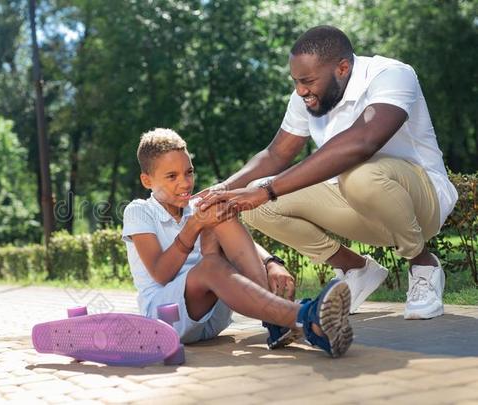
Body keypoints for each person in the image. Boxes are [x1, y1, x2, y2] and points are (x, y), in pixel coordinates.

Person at [197, 25, 458, 320]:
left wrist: (267, 189)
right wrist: (223, 188)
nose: (300, 91)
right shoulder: (305, 97)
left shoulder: (391, 74)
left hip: (422, 202)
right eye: (295, 81)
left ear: (343, 68)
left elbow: (364, 142)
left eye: (307, 81)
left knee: (357, 176)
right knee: (258, 208)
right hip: (359, 205)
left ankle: (423, 265)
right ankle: (355, 269)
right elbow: (276, 153)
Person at [122, 128, 353, 358]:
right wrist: (194, 227)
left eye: (189, 172)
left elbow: (236, 242)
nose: (184, 183)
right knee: (209, 265)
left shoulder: (195, 207)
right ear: (147, 180)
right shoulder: (139, 211)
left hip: (212, 317)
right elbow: (161, 274)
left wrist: (271, 262)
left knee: (218, 210)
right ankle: (305, 317)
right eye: (172, 176)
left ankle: (278, 322)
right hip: (166, 318)